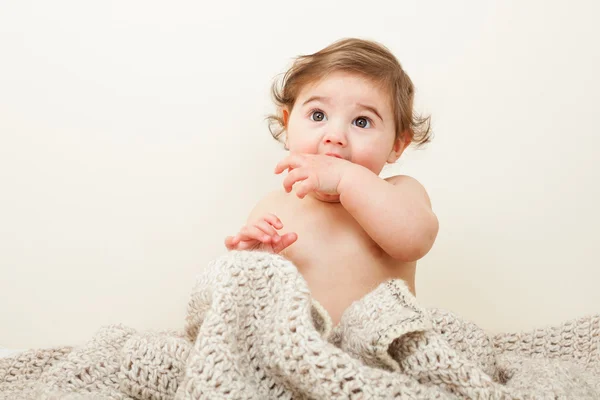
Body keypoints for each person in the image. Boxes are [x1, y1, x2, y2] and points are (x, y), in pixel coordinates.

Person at [224, 38, 439, 325]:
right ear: (288, 125)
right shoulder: (274, 207)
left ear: (397, 145)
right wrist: (252, 263)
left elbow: (416, 239)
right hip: (300, 351)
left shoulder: (399, 192)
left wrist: (346, 177)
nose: (335, 135)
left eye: (361, 122)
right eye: (318, 115)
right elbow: (255, 303)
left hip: (378, 350)